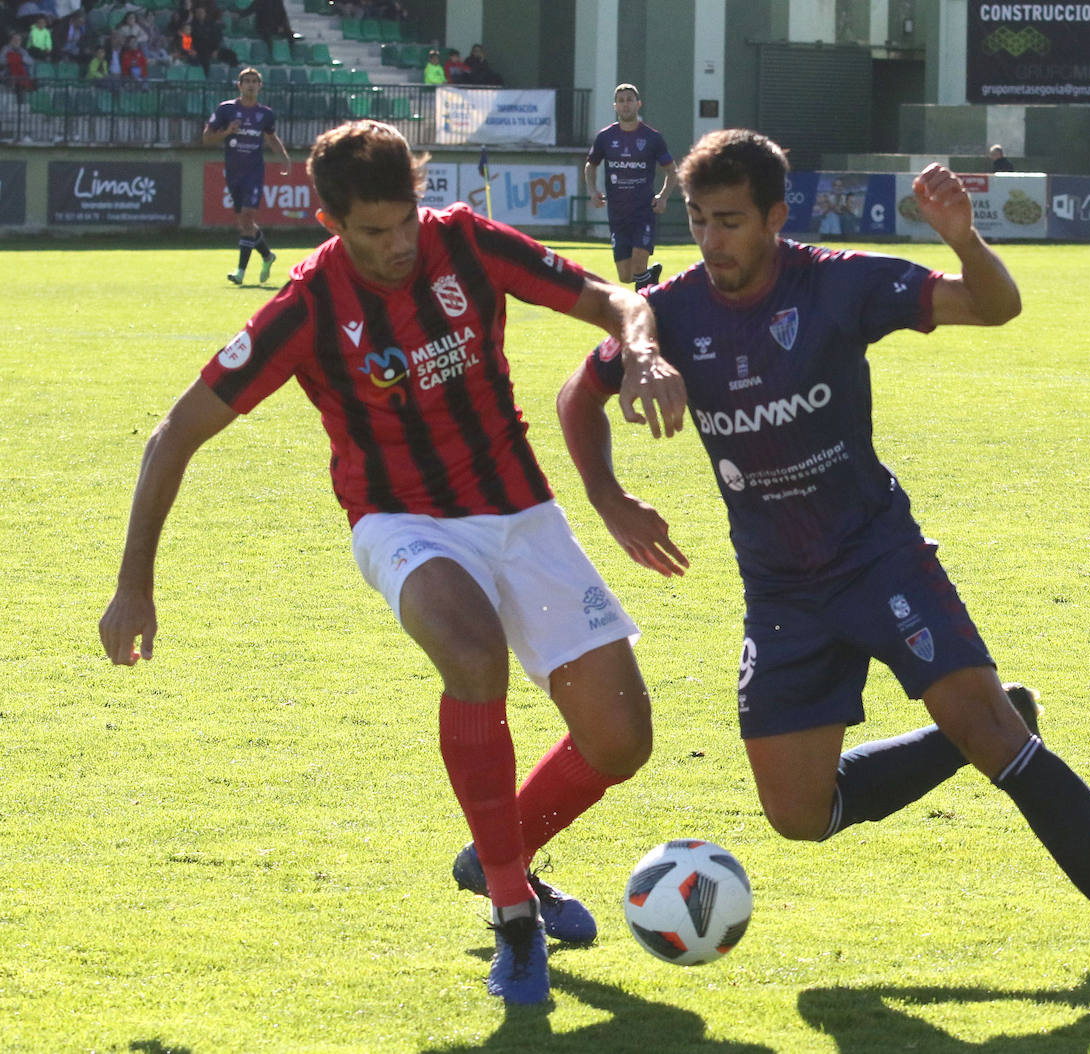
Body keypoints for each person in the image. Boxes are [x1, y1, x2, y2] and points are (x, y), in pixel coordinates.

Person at [557, 128, 1090, 1007]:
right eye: (700, 220)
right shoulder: (670, 312)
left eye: (732, 222)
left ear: (777, 217)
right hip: (781, 589)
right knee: (797, 816)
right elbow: (573, 396)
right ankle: (964, 734)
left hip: (876, 558)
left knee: (999, 743)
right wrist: (610, 497)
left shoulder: (840, 282)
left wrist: (964, 239)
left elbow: (994, 306)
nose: (713, 242)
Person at [99, 120, 686, 1007]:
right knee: (475, 656)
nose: (396, 245)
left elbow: (618, 300)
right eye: (372, 232)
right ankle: (513, 918)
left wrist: (639, 350)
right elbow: (174, 434)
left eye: (403, 221)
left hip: (520, 511)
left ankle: (497, 850)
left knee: (621, 738)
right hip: (404, 523)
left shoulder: (468, 244)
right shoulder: (303, 307)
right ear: (331, 223)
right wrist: (133, 582)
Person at [202, 67, 291, 286]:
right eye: (247, 81)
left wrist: (285, 158)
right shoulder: (226, 110)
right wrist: (226, 132)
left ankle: (240, 271)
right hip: (233, 171)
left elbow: (271, 137)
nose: (251, 85)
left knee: (248, 216)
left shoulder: (265, 114)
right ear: (239, 85)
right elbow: (206, 138)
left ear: (260, 86)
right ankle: (268, 256)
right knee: (244, 223)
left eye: (254, 81)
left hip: (254, 171)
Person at [583, 82, 677, 290]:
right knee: (626, 276)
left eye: (629, 100)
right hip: (617, 212)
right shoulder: (605, 137)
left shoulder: (652, 137)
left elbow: (671, 171)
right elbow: (591, 165)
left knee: (638, 263)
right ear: (615, 106)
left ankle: (648, 310)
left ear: (638, 104)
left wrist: (662, 196)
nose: (625, 105)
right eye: (621, 101)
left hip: (644, 211)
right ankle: (649, 277)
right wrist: (592, 190)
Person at [1, 31, 35, 99]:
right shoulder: (5, 49)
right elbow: (1, 60)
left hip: (21, 76)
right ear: (11, 40)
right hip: (8, 75)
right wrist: (11, 59)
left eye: (19, 40)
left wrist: (21, 59)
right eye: (15, 39)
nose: (17, 41)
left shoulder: (22, 51)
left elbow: (31, 61)